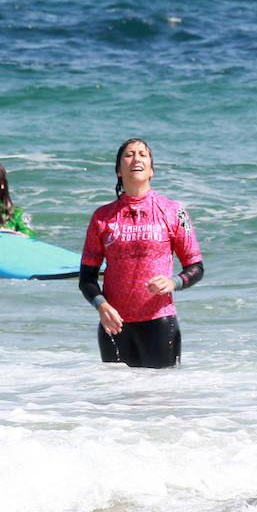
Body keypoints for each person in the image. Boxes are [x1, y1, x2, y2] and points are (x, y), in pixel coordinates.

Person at [78, 138, 203, 368]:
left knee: (162, 390)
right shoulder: (102, 217)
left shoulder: (173, 211)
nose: (136, 158)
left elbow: (196, 267)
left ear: (152, 170)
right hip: (114, 325)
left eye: (143, 154)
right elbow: (86, 278)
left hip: (159, 322)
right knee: (115, 391)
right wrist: (101, 306)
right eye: (129, 155)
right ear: (118, 170)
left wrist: (173, 282)